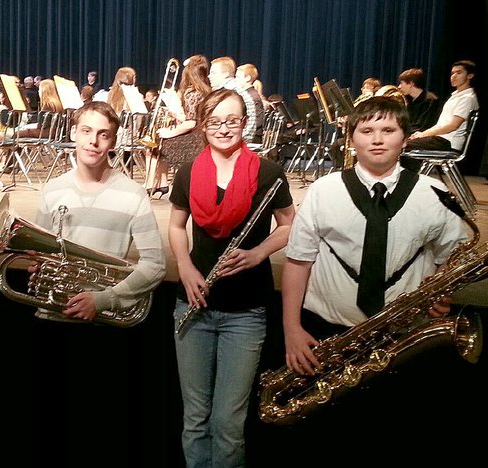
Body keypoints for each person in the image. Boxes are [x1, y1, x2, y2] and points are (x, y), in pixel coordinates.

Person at [281, 96, 467, 378]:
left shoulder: (434, 193)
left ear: (405, 139)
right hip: (327, 331)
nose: (377, 140)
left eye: (389, 131)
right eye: (366, 131)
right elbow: (298, 262)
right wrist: (291, 329)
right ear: (351, 141)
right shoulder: (323, 190)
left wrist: (443, 293)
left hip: (405, 333)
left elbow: (450, 257)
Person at [32, 100, 166, 465]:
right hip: (52, 320)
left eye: (103, 134)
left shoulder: (132, 194)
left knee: (99, 432)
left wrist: (104, 299)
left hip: (102, 324)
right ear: (74, 134)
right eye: (87, 131)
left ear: (113, 141)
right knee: (50, 428)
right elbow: (42, 251)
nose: (93, 141)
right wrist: (38, 266)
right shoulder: (53, 190)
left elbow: (155, 265)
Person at [168, 88, 295, 468]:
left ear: (245, 121)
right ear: (203, 125)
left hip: (246, 312)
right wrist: (186, 268)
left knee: (227, 421)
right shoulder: (190, 170)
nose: (224, 128)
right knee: (195, 419)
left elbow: (289, 225)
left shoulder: (269, 173)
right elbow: (176, 226)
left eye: (233, 120)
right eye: (215, 121)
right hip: (193, 302)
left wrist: (258, 253)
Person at [143, 54, 212, 197]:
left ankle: (151, 184)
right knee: (160, 140)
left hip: (195, 140)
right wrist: (175, 113)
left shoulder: (192, 93)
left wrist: (169, 132)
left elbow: (191, 123)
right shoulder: (206, 90)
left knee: (154, 145)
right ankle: (162, 183)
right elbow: (191, 119)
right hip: (201, 135)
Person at [406, 60, 478, 152]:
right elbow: (440, 125)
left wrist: (424, 135)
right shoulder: (455, 96)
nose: (454, 76)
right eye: (452, 73)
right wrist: (422, 134)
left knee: (401, 145)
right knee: (402, 142)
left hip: (448, 142)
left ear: (470, 76)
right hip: (440, 139)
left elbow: (453, 126)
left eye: (458, 73)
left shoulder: (467, 98)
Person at [208, 56, 262, 143]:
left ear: (225, 74)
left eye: (213, 73)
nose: (209, 76)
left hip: (238, 140)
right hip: (240, 137)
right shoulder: (233, 88)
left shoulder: (229, 91)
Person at [397, 68, 440, 132]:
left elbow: (422, 126)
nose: (399, 87)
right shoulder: (408, 99)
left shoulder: (430, 100)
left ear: (411, 84)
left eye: (401, 83)